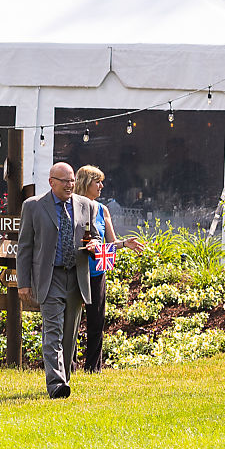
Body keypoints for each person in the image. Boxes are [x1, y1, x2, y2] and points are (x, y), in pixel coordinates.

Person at [16, 161, 103, 399]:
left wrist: (94, 243)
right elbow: (25, 247)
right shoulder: (33, 206)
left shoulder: (86, 205)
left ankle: (64, 379)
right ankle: (56, 385)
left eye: (72, 180)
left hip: (76, 276)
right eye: (65, 181)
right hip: (49, 276)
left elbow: (93, 235)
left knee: (69, 335)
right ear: (51, 181)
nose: (70, 185)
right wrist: (24, 283)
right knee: (52, 331)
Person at [74, 165, 135, 373]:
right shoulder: (70, 206)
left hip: (97, 272)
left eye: (101, 181)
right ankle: (68, 366)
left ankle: (93, 368)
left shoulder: (102, 210)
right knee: (70, 321)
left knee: (96, 321)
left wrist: (125, 244)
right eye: (97, 181)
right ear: (85, 183)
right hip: (74, 271)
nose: (101, 186)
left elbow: (112, 241)